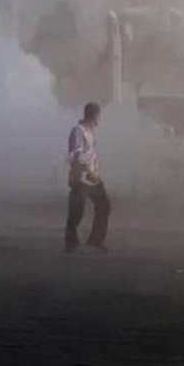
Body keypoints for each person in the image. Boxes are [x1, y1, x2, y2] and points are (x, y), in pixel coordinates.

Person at [66, 102, 111, 253]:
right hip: (81, 178)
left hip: (92, 178)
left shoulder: (89, 131)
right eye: (99, 115)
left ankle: (95, 240)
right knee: (76, 211)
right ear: (94, 115)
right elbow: (75, 155)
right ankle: (70, 242)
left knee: (104, 205)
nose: (100, 119)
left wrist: (94, 172)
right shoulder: (78, 131)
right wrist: (87, 170)